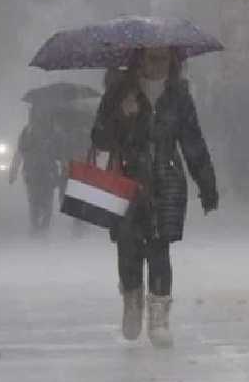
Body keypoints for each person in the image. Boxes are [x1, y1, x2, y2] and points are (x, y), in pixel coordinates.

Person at [90, 47, 219, 348]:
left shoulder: (179, 96)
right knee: (128, 246)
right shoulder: (118, 92)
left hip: (165, 183)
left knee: (159, 249)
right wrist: (121, 116)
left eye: (164, 58)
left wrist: (207, 184)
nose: (158, 64)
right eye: (152, 58)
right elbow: (99, 137)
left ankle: (159, 318)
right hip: (126, 181)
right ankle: (132, 300)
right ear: (140, 59)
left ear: (173, 60)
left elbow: (193, 142)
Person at [9, 111, 61, 237]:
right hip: (45, 173)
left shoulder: (28, 131)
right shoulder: (50, 131)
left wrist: (13, 172)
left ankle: (37, 229)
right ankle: (41, 229)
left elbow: (19, 153)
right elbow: (60, 153)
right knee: (44, 203)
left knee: (35, 202)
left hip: (35, 173)